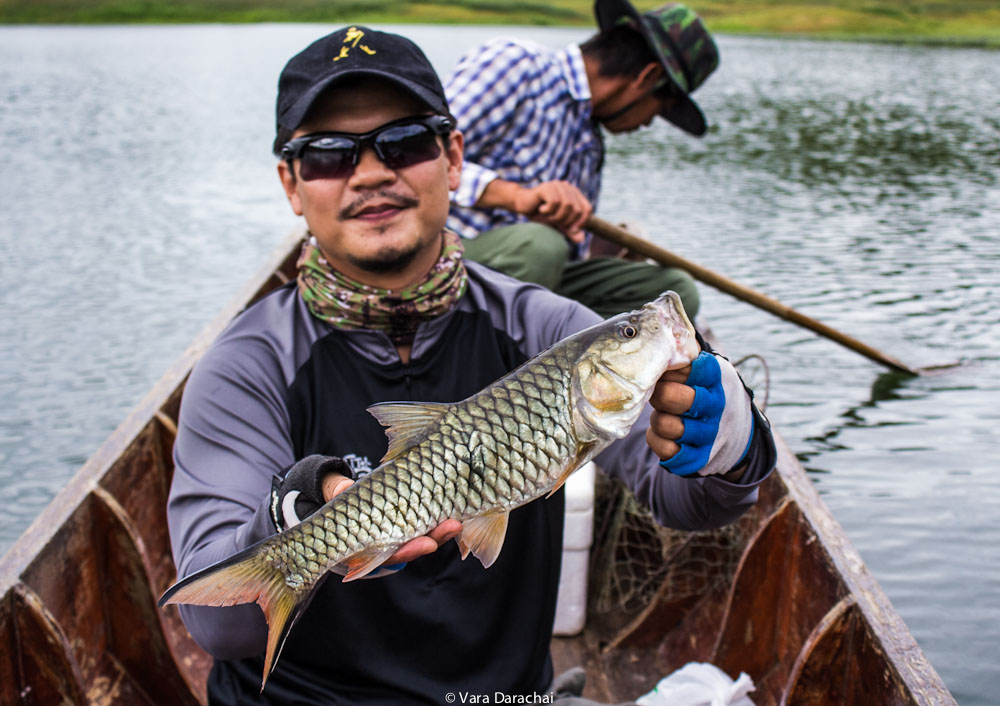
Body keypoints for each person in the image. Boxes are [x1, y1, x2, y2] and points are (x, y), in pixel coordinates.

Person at [165, 25, 775, 706]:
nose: (371, 172)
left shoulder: (546, 328)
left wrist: (733, 445)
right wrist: (294, 511)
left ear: (453, 158)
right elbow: (213, 627)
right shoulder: (246, 366)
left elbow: (690, 504)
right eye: (330, 154)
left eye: (404, 143)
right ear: (291, 184)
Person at [446, 0, 719, 319]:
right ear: (647, 77)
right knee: (541, 245)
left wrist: (578, 236)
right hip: (443, 257)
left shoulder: (590, 145)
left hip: (526, 275)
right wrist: (518, 198)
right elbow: (411, 157)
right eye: (658, 110)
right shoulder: (518, 64)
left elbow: (569, 254)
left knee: (673, 296)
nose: (646, 124)